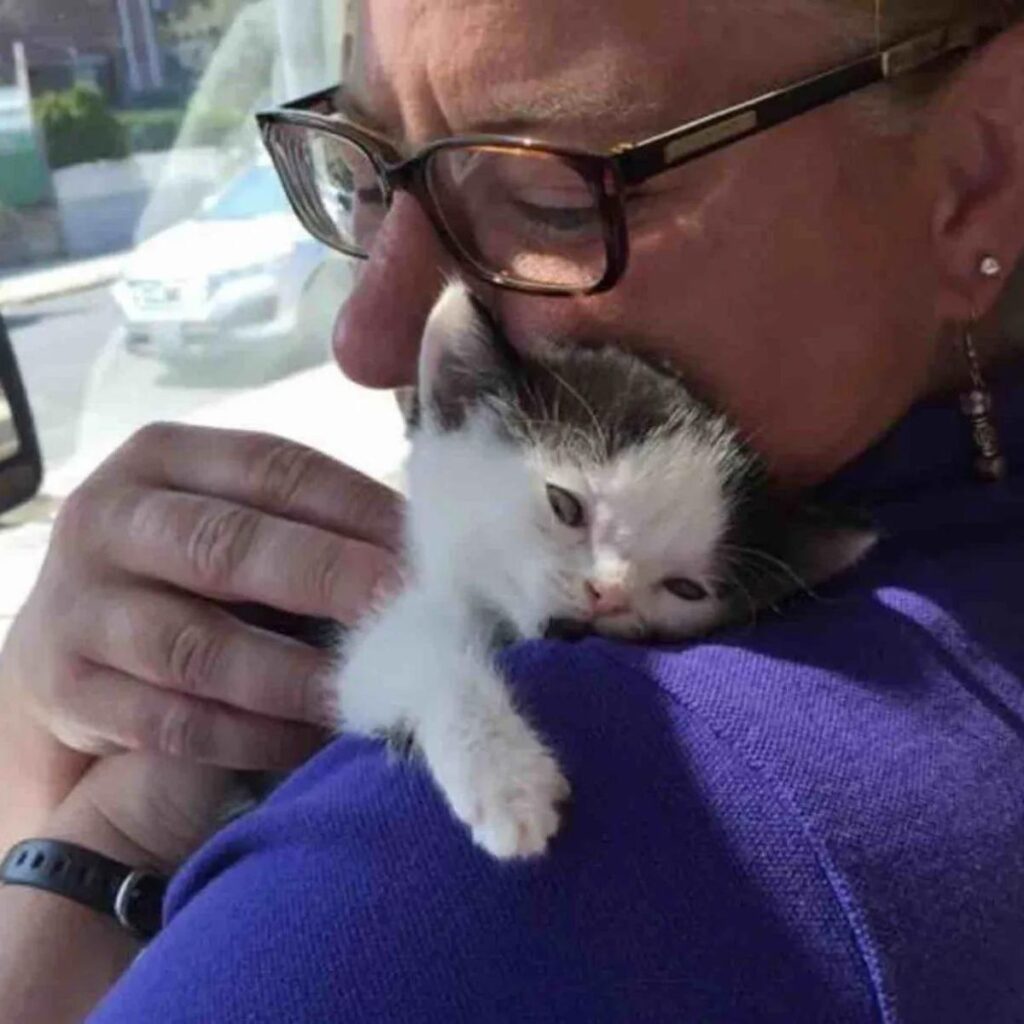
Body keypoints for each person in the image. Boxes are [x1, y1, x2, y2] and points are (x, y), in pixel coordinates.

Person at [2, 0, 1024, 1020]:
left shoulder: (456, 873)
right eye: (362, 175)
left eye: (553, 199)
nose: (367, 339)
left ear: (973, 178)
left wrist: (78, 841)